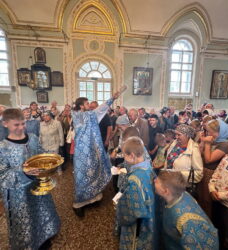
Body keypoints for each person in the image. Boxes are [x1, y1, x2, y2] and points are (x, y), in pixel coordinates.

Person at [0, 108, 60, 249]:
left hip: (38, 185)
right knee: (25, 221)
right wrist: (23, 172)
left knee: (41, 211)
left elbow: (41, 154)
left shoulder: (32, 137)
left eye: (23, 123)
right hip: (18, 195)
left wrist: (52, 160)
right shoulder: (2, 148)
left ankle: (44, 237)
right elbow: (2, 176)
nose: (21, 128)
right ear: (5, 124)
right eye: (16, 125)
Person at [72, 86, 126, 216]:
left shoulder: (86, 114)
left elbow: (99, 111)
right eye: (86, 103)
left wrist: (112, 98)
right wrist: (112, 98)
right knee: (82, 175)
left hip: (91, 149)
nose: (88, 105)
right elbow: (100, 110)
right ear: (81, 106)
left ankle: (92, 197)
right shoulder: (78, 115)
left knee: (93, 170)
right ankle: (79, 202)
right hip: (81, 152)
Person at [154, 171, 219, 250]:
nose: (154, 181)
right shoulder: (182, 194)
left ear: (165, 191)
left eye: (157, 181)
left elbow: (195, 245)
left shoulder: (183, 220)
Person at [116, 136, 155, 250]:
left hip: (138, 224)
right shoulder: (148, 166)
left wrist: (121, 205)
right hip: (150, 215)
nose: (124, 158)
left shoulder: (134, 179)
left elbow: (135, 211)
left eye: (125, 155)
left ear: (132, 156)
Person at [198, 119, 228, 218]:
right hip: (205, 171)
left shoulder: (224, 144)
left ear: (220, 132)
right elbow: (200, 153)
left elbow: (209, 159)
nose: (209, 134)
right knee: (202, 198)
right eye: (207, 131)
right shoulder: (215, 141)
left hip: (212, 174)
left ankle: (208, 221)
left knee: (207, 200)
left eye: (211, 132)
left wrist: (207, 143)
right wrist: (203, 142)